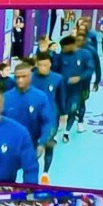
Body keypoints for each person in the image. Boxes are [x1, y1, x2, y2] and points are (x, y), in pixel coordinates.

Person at [1, 62, 53, 172]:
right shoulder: (5, 97)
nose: (20, 80)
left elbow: (47, 121)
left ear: (31, 76)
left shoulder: (40, 97)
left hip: (31, 145)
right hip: (9, 146)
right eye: (17, 77)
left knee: (30, 177)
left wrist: (42, 143)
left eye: (23, 77)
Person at [31, 52, 66, 185]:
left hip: (51, 118)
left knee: (49, 144)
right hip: (33, 118)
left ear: (50, 64)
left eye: (45, 65)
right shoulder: (31, 78)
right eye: (40, 65)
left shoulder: (58, 78)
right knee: (33, 145)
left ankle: (45, 173)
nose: (43, 67)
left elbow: (61, 98)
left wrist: (64, 114)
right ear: (36, 64)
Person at [52, 35, 94, 142]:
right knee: (58, 111)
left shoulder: (85, 54)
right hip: (61, 90)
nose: (62, 50)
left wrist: (80, 78)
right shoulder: (61, 56)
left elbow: (90, 69)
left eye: (64, 47)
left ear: (71, 45)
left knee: (72, 110)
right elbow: (54, 70)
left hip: (77, 89)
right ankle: (55, 134)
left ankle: (66, 132)